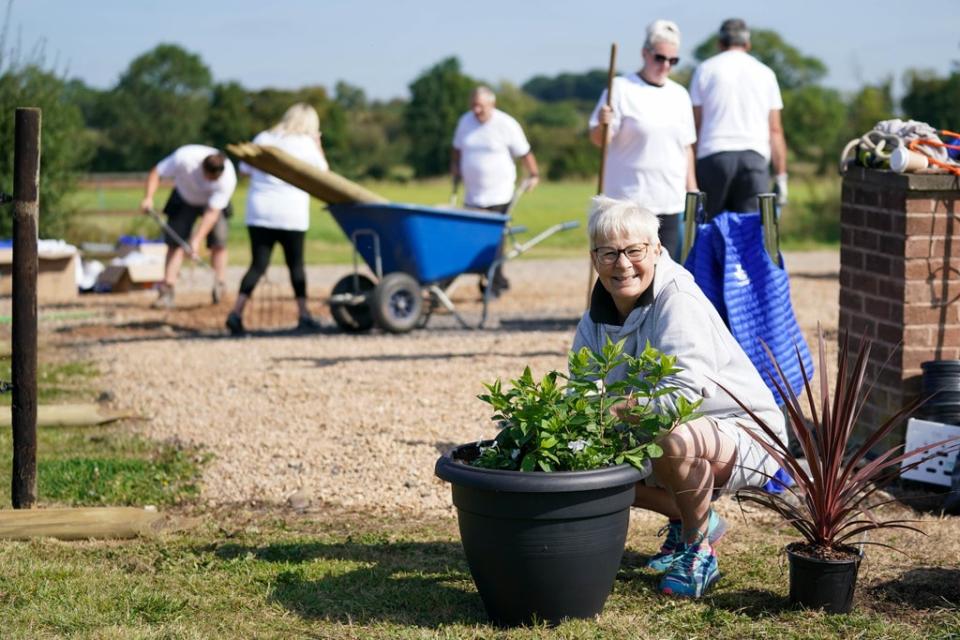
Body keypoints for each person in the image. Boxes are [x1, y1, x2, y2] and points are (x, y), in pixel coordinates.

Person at [573, 196, 787, 598]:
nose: (622, 264)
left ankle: (697, 548)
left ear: (656, 249)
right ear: (593, 258)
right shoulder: (595, 316)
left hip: (742, 433)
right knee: (579, 458)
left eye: (634, 250)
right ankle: (692, 517)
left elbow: (682, 398)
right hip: (665, 429)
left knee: (671, 438)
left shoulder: (678, 302)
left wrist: (612, 411)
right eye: (609, 253)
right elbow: (579, 387)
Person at [589, 19, 697, 259]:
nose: (666, 65)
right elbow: (599, 139)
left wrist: (693, 191)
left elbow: (686, 147)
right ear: (645, 53)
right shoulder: (620, 88)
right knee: (625, 271)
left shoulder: (679, 95)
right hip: (627, 201)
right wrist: (602, 123)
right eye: (660, 58)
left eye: (673, 60)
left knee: (665, 272)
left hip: (669, 201)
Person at [225, 103, 329, 336]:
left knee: (258, 264)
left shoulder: (264, 137)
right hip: (291, 212)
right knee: (296, 265)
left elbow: (244, 168)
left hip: (259, 210)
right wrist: (318, 146)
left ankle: (236, 313)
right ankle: (303, 314)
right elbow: (323, 173)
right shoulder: (305, 144)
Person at [689, 18, 789, 218]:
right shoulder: (766, 73)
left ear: (720, 43)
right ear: (747, 43)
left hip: (713, 157)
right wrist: (781, 176)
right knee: (750, 233)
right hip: (754, 159)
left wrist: (690, 174)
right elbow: (775, 130)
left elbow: (695, 127)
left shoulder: (705, 70)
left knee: (708, 230)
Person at [451, 86, 540, 296]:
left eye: (480, 106)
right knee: (473, 239)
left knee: (495, 241)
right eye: (473, 105)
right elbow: (456, 149)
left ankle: (493, 284)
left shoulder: (506, 124)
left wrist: (534, 174)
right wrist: (455, 166)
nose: (476, 110)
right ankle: (496, 279)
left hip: (500, 193)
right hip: (473, 195)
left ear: (492, 104)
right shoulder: (465, 122)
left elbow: (524, 152)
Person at [140, 145, 237, 308]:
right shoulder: (184, 158)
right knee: (174, 244)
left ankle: (219, 285)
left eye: (215, 179)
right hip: (184, 197)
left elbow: (212, 213)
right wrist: (148, 197)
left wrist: (196, 240)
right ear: (202, 169)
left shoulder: (228, 179)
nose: (211, 182)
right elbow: (157, 172)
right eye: (209, 177)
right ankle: (167, 290)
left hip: (212, 205)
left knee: (219, 242)